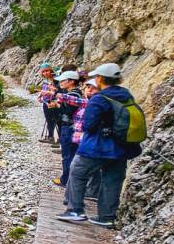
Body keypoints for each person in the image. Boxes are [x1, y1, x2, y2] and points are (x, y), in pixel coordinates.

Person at [57, 63, 143, 227]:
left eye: (96, 76)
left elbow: (88, 125)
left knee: (77, 173)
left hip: (96, 146)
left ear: (101, 78)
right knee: (112, 181)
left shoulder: (99, 99)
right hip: (121, 148)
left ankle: (75, 210)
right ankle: (106, 217)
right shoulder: (126, 95)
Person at [49, 70, 83, 189]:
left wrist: (57, 105)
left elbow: (68, 111)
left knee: (67, 154)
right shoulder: (75, 93)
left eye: (63, 80)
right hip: (70, 127)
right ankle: (69, 179)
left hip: (68, 127)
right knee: (71, 154)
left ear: (71, 81)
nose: (61, 83)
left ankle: (66, 179)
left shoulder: (73, 95)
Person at [35, 63, 59, 144]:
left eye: (47, 71)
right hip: (46, 102)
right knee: (49, 120)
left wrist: (49, 92)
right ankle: (50, 137)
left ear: (51, 70)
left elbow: (57, 90)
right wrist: (40, 95)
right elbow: (44, 89)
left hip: (54, 102)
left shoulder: (56, 80)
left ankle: (59, 139)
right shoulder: (46, 80)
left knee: (56, 120)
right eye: (44, 71)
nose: (45, 73)